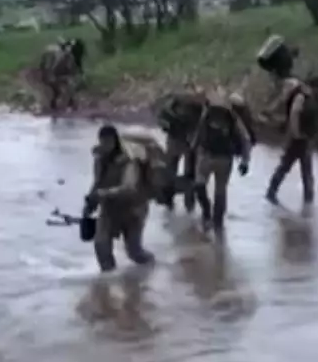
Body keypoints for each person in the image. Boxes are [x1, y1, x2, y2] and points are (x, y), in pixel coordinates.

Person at [255, 35, 318, 204]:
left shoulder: (301, 89)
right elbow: (293, 111)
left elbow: (313, 113)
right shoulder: (300, 90)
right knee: (292, 166)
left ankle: (285, 196)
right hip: (300, 136)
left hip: (303, 136)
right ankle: (280, 195)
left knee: (295, 167)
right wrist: (295, 132)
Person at [84, 125, 156, 272]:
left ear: (115, 141)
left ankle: (153, 267)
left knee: (134, 252)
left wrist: (104, 193)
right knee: (101, 244)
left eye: (108, 141)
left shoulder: (129, 160)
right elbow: (97, 181)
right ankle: (107, 281)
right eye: (103, 142)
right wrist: (90, 203)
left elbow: (129, 187)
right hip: (109, 208)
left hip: (134, 208)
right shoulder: (100, 159)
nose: (105, 145)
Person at [190, 90, 253, 230]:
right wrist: (245, 161)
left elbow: (199, 133)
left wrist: (193, 149)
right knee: (221, 190)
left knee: (199, 185)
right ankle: (218, 225)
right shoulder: (232, 117)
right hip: (225, 158)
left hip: (205, 155)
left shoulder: (208, 112)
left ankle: (206, 213)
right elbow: (246, 139)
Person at [155, 89, 206, 211]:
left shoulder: (173, 107)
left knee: (173, 172)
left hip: (178, 142)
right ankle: (186, 206)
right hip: (185, 142)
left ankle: (171, 204)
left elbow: (161, 121)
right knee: (186, 175)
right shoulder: (198, 108)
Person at [37, 38, 85, 112]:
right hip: (56, 75)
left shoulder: (65, 55)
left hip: (56, 75)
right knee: (65, 87)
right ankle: (69, 104)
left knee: (62, 89)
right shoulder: (64, 55)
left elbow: (70, 68)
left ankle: (67, 104)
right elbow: (60, 68)